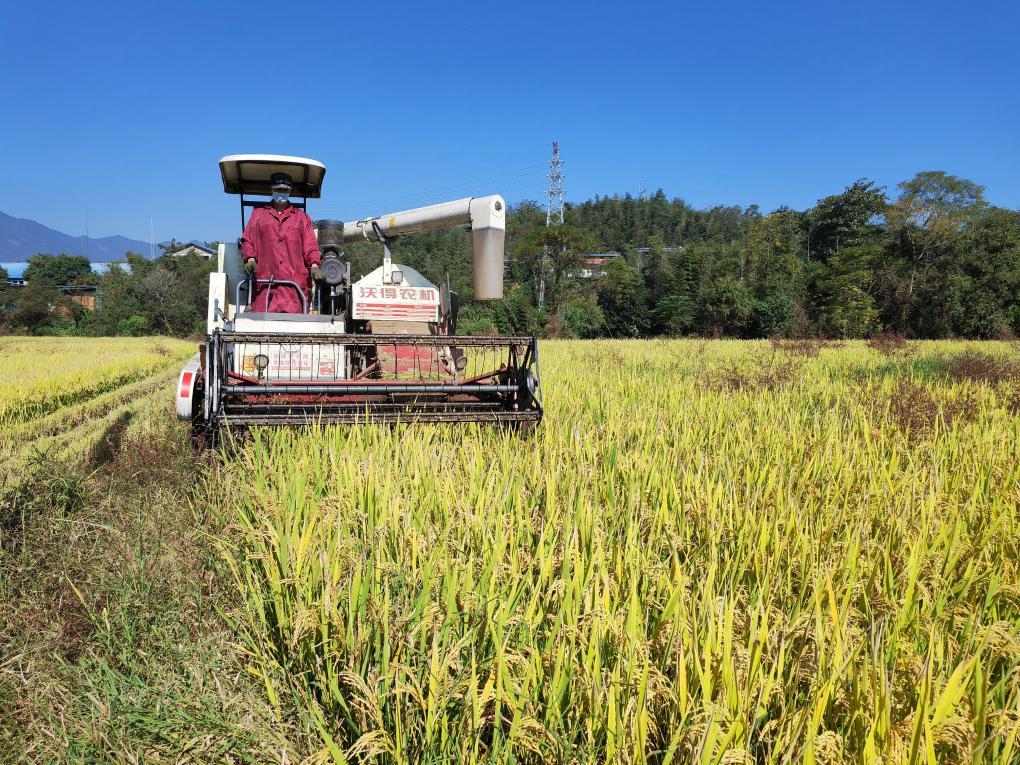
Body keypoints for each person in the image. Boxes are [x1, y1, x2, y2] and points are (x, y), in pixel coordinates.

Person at [240, 172, 323, 312]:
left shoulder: (302, 218)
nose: (281, 192)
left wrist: (314, 265)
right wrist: (250, 258)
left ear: (290, 191)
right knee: (261, 327)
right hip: (265, 285)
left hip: (294, 288)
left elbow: (311, 245)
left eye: (285, 190)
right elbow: (247, 240)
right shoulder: (258, 215)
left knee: (295, 328)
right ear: (271, 190)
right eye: (278, 189)